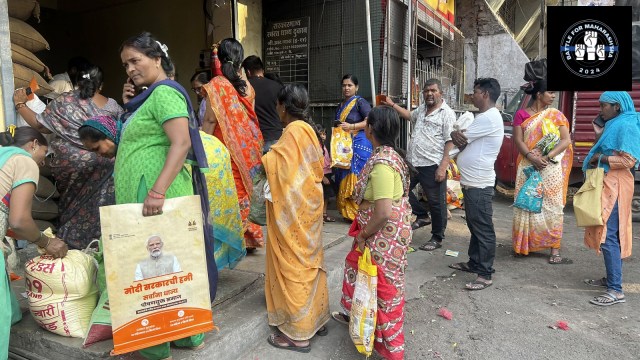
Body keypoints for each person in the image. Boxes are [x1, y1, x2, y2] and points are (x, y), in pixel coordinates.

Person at [118, 31, 212, 359]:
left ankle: (158, 344)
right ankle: (186, 335)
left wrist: (156, 191)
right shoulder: (148, 96)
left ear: (157, 59)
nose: (129, 68)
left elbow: (182, 142)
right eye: (125, 64)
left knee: (155, 269)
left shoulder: (164, 93)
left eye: (135, 60)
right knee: (166, 268)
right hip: (149, 194)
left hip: (156, 194)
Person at [79, 116, 245, 271]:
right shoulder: (128, 149)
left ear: (109, 136)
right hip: (199, 160)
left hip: (208, 162)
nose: (99, 155)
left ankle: (202, 268)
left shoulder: (139, 145)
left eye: (97, 148)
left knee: (201, 220)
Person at [332, 106, 413, 360]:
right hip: (381, 234)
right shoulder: (387, 155)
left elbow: (383, 212)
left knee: (383, 288)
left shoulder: (383, 165)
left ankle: (390, 348)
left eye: (367, 122)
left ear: (371, 129)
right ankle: (358, 320)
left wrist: (364, 234)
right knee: (361, 273)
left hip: (382, 235)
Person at [14, 64, 123, 250]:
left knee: (72, 207)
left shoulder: (65, 101)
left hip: (72, 169)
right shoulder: (113, 106)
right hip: (106, 167)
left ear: (78, 83)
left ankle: (72, 244)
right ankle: (103, 245)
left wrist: (20, 104)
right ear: (101, 85)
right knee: (103, 206)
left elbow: (41, 125)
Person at [263, 84, 330, 352]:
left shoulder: (292, 132)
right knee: (309, 262)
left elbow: (283, 170)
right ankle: (316, 319)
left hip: (294, 213)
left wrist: (267, 158)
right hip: (309, 207)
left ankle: (299, 334)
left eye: (278, 106)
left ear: (283, 106)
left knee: (294, 265)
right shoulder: (309, 131)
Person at [0, 127, 68, 359]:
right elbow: (19, 220)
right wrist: (45, 241)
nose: (41, 163)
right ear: (33, 144)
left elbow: (8, 220)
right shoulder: (23, 161)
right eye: (44, 153)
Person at [202, 38, 265, 252]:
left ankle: (232, 240)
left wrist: (202, 148)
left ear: (220, 59)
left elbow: (210, 120)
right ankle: (251, 237)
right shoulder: (247, 86)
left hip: (224, 148)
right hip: (249, 147)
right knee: (247, 191)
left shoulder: (216, 86)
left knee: (230, 190)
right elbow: (250, 118)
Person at [382, 78, 455, 251]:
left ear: (440, 93)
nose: (429, 93)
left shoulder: (447, 113)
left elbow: (450, 141)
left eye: (433, 90)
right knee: (400, 189)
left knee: (436, 203)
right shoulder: (422, 109)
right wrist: (392, 105)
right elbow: (409, 116)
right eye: (426, 90)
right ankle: (422, 215)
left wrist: (443, 166)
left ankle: (437, 237)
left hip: (433, 164)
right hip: (414, 163)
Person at [583, 91, 640, 306]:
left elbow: (629, 160)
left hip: (615, 184)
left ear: (617, 107)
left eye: (603, 106)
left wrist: (601, 157)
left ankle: (616, 290)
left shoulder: (625, 125)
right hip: (608, 182)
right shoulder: (616, 123)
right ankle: (611, 278)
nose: (600, 110)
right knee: (608, 232)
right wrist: (599, 134)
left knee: (608, 236)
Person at [448, 78, 504, 290]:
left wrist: (456, 135)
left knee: (483, 228)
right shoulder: (485, 117)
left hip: (480, 183)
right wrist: (456, 136)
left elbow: (459, 139)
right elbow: (459, 139)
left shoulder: (488, 118)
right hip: (473, 182)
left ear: (486, 94)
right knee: (474, 224)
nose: (473, 95)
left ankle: (485, 273)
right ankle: (474, 263)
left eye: (476, 92)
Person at [511, 79, 573, 264]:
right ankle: (524, 245)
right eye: (551, 92)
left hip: (549, 167)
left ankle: (554, 249)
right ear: (539, 94)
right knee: (526, 203)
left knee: (553, 206)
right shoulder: (521, 115)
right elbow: (518, 140)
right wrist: (532, 157)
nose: (553, 96)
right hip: (528, 165)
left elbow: (565, 140)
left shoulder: (556, 115)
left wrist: (546, 157)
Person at [333, 74, 373, 221]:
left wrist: (352, 126)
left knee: (355, 173)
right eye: (344, 85)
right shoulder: (340, 105)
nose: (346, 88)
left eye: (349, 85)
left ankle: (358, 212)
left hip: (359, 142)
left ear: (356, 87)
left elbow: (370, 120)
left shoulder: (360, 102)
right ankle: (348, 212)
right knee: (341, 171)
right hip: (343, 143)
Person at [242, 55, 284, 153]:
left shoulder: (245, 88)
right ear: (262, 69)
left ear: (248, 71)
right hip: (277, 137)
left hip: (256, 140)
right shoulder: (277, 86)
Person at [315, 123, 336, 222]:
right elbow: (316, 164)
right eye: (321, 134)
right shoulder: (316, 147)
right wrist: (323, 177)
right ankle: (319, 216)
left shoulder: (323, 146)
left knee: (326, 195)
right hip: (321, 174)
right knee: (321, 196)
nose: (323, 136)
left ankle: (323, 214)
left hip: (327, 172)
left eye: (324, 134)